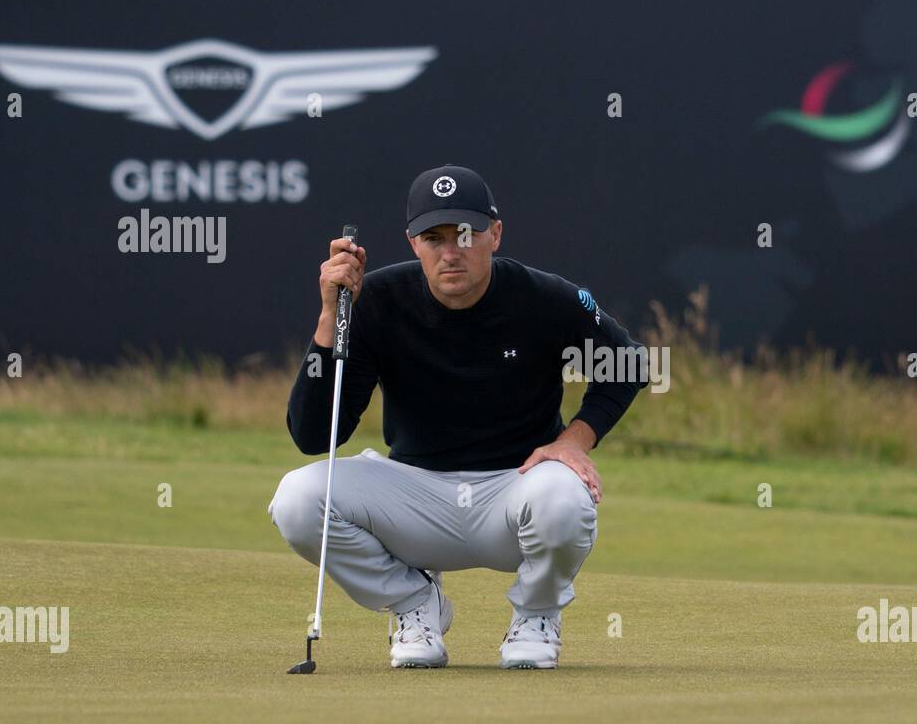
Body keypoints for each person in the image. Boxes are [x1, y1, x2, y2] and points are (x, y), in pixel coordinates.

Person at [269, 165, 648, 669]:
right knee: (297, 499)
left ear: (495, 234)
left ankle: (536, 615)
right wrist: (328, 318)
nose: (451, 251)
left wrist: (575, 440)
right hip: (412, 495)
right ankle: (414, 601)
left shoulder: (543, 296)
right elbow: (314, 435)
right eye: (434, 237)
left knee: (565, 497)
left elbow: (630, 362)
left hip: (516, 491)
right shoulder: (375, 302)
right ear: (413, 243)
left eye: (466, 234)